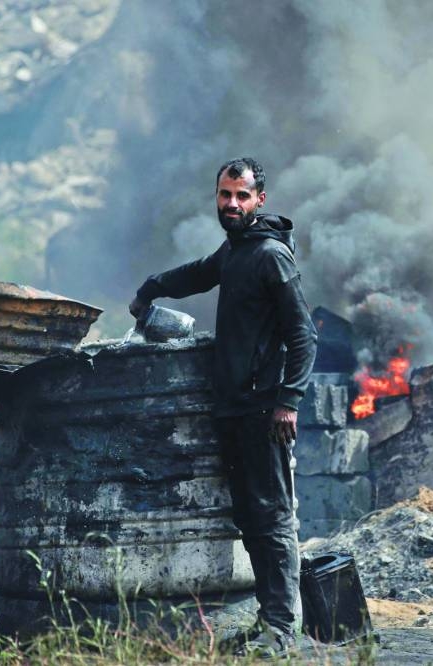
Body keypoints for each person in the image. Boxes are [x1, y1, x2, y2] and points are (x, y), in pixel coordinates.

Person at [129, 157, 317, 657]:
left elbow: (304, 336)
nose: (231, 204)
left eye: (241, 196)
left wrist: (289, 401)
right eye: (224, 195)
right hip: (234, 409)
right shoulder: (236, 251)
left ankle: (282, 630)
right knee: (251, 520)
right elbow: (198, 274)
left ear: (260, 200)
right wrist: (152, 286)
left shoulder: (271, 256)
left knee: (272, 518)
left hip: (263, 409)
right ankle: (269, 619)